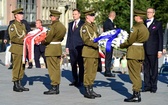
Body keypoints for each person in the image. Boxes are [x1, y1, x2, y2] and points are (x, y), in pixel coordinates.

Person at [120, 10, 149, 102]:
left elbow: (130, 40)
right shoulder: (145, 27)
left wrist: (121, 45)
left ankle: (136, 94)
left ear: (138, 17)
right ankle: (137, 93)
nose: (134, 17)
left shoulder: (135, 27)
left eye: (135, 16)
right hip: (140, 51)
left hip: (133, 52)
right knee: (137, 74)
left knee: (134, 74)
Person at [43, 10, 66, 95]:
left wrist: (43, 41)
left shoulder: (52, 26)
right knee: (57, 68)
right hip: (58, 47)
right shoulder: (62, 26)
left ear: (54, 17)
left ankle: (53, 86)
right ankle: (57, 86)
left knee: (52, 69)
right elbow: (62, 37)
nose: (50, 18)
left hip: (51, 48)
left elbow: (48, 38)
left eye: (51, 16)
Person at [80, 9, 101, 99]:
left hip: (94, 52)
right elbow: (86, 40)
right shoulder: (85, 27)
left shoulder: (94, 26)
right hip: (88, 52)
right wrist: (96, 44)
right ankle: (87, 90)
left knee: (93, 72)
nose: (94, 17)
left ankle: (91, 88)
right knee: (88, 72)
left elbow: (97, 36)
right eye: (92, 15)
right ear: (87, 16)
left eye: (93, 15)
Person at [8, 8, 29, 92]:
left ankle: (20, 83)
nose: (22, 15)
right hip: (16, 48)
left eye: (22, 14)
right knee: (16, 67)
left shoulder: (22, 25)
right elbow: (13, 38)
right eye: (20, 14)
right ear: (16, 16)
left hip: (23, 49)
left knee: (22, 67)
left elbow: (25, 35)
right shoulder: (13, 26)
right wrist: (23, 40)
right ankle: (15, 84)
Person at [143, 8, 163, 93]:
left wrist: (160, 50)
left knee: (154, 69)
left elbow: (160, 38)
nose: (148, 14)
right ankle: (147, 85)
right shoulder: (144, 23)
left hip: (153, 49)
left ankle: (153, 86)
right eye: (147, 12)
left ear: (154, 13)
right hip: (144, 49)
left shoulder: (158, 24)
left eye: (150, 12)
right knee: (146, 69)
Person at [66, 9, 84, 87]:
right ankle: (75, 79)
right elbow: (69, 36)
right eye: (73, 14)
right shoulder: (70, 24)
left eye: (75, 14)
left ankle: (81, 80)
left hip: (79, 47)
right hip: (72, 47)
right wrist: (67, 46)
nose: (74, 15)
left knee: (80, 64)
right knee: (73, 64)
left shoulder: (82, 23)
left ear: (79, 15)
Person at [103, 11, 116, 77]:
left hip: (107, 41)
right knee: (108, 57)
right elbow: (113, 31)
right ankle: (107, 71)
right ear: (113, 16)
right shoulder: (109, 22)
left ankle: (107, 70)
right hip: (109, 41)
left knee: (108, 56)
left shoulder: (106, 22)